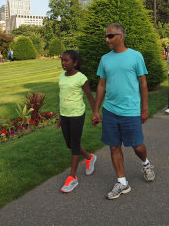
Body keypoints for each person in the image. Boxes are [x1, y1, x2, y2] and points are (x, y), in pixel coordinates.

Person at [92, 23, 155, 200]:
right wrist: (96, 109)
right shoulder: (105, 59)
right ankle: (122, 182)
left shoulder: (135, 56)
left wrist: (144, 108)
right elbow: (102, 84)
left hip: (131, 110)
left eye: (110, 36)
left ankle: (146, 163)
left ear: (121, 36)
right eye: (106, 36)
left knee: (137, 146)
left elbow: (143, 83)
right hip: (110, 110)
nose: (107, 39)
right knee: (114, 146)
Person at [58, 50, 97, 193]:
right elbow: (62, 97)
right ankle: (89, 157)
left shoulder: (81, 78)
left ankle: (72, 177)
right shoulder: (62, 76)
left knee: (74, 145)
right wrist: (60, 117)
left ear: (75, 63)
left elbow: (89, 96)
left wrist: (95, 113)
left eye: (67, 60)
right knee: (69, 144)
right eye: (62, 60)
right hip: (65, 115)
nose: (63, 63)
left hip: (77, 115)